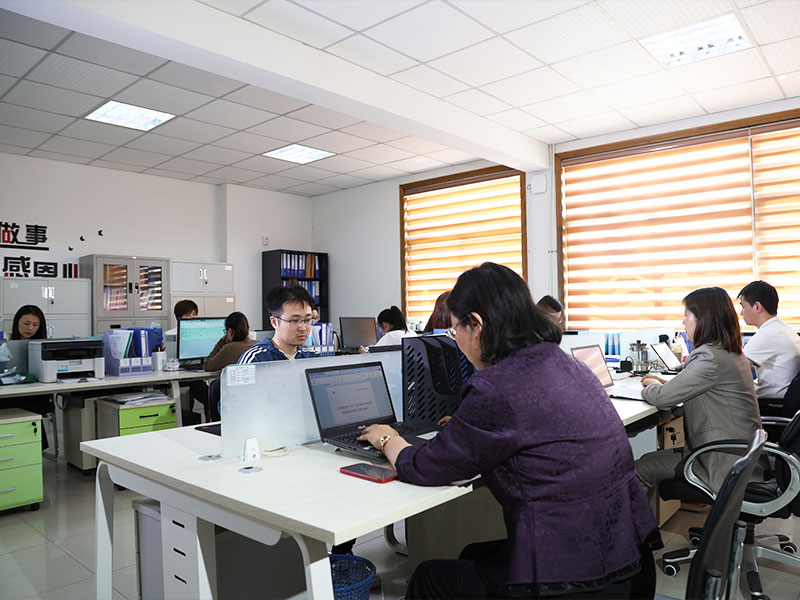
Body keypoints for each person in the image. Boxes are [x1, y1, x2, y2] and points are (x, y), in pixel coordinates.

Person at [358, 263, 660, 599]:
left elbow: (428, 466)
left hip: (575, 579)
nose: (456, 341)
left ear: (476, 325)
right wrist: (467, 427)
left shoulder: (494, 386)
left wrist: (388, 439)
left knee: (428, 578)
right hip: (630, 561)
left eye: (455, 330)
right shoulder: (567, 362)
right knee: (472, 554)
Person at [636, 287, 763, 496]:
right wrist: (665, 383)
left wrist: (650, 385)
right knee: (647, 460)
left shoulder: (709, 357)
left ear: (703, 319)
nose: (683, 322)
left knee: (639, 469)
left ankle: (630, 519)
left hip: (720, 461)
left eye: (686, 316)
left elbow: (661, 398)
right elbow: (702, 389)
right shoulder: (730, 352)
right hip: (741, 455)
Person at [738, 280, 800, 398]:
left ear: (757, 306)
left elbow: (735, 366)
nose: (741, 313)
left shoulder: (768, 334)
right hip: (784, 398)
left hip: (771, 403)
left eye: (743, 306)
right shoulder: (783, 329)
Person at [3, 305, 52, 449]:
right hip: (10, 390)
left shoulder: (43, 344)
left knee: (30, 402)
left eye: (35, 325)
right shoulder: (5, 342)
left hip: (34, 393)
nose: (30, 328)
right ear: (17, 322)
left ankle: (31, 448)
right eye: (26, 323)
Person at [237, 286, 317, 363]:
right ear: (274, 322)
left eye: (307, 320)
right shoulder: (256, 358)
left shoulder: (312, 357)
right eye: (295, 320)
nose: (303, 328)